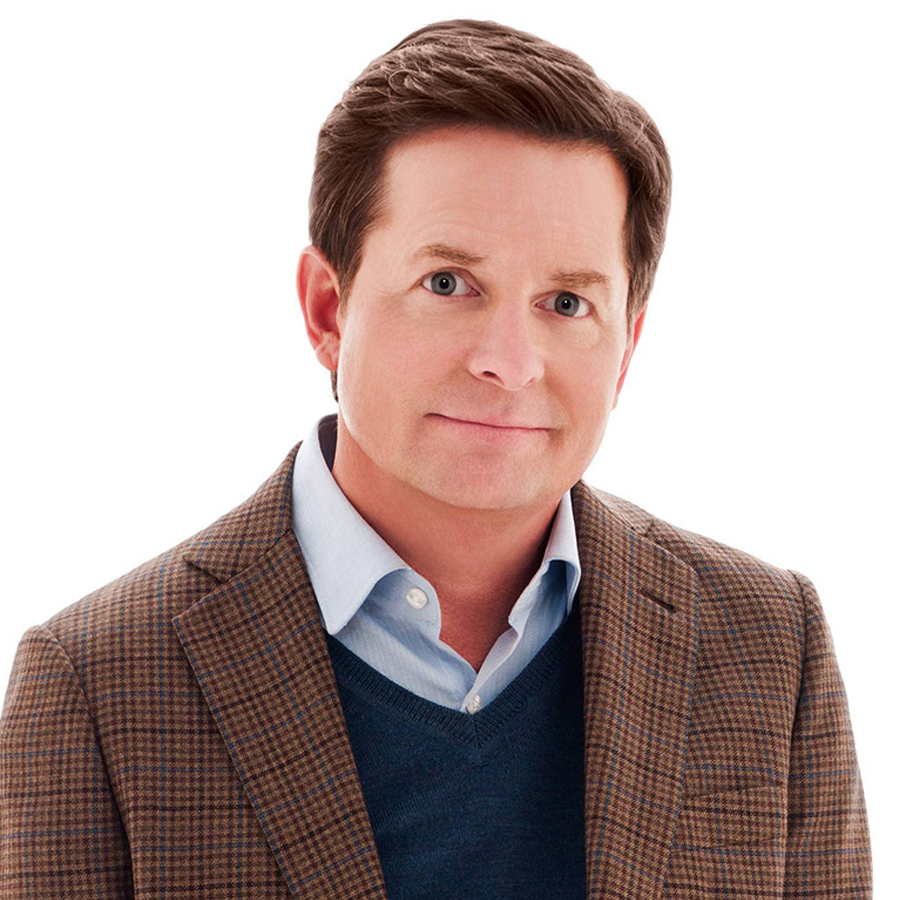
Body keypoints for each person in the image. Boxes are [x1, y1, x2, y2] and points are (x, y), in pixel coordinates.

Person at [0, 19, 871, 899]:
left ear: (627, 349)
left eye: (567, 302)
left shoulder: (769, 646)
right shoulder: (99, 685)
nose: (510, 361)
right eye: (448, 284)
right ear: (328, 309)